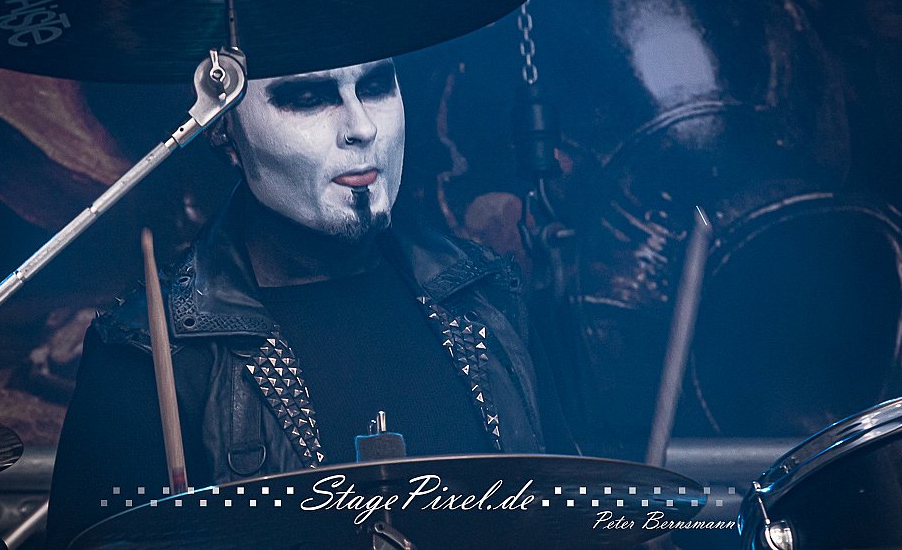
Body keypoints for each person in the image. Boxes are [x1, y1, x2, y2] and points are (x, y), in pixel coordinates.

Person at [46, 58, 573, 547]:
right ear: (224, 128)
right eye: (307, 98)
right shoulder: (148, 348)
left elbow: (577, 514)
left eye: (375, 87)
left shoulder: (485, 297)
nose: (362, 127)